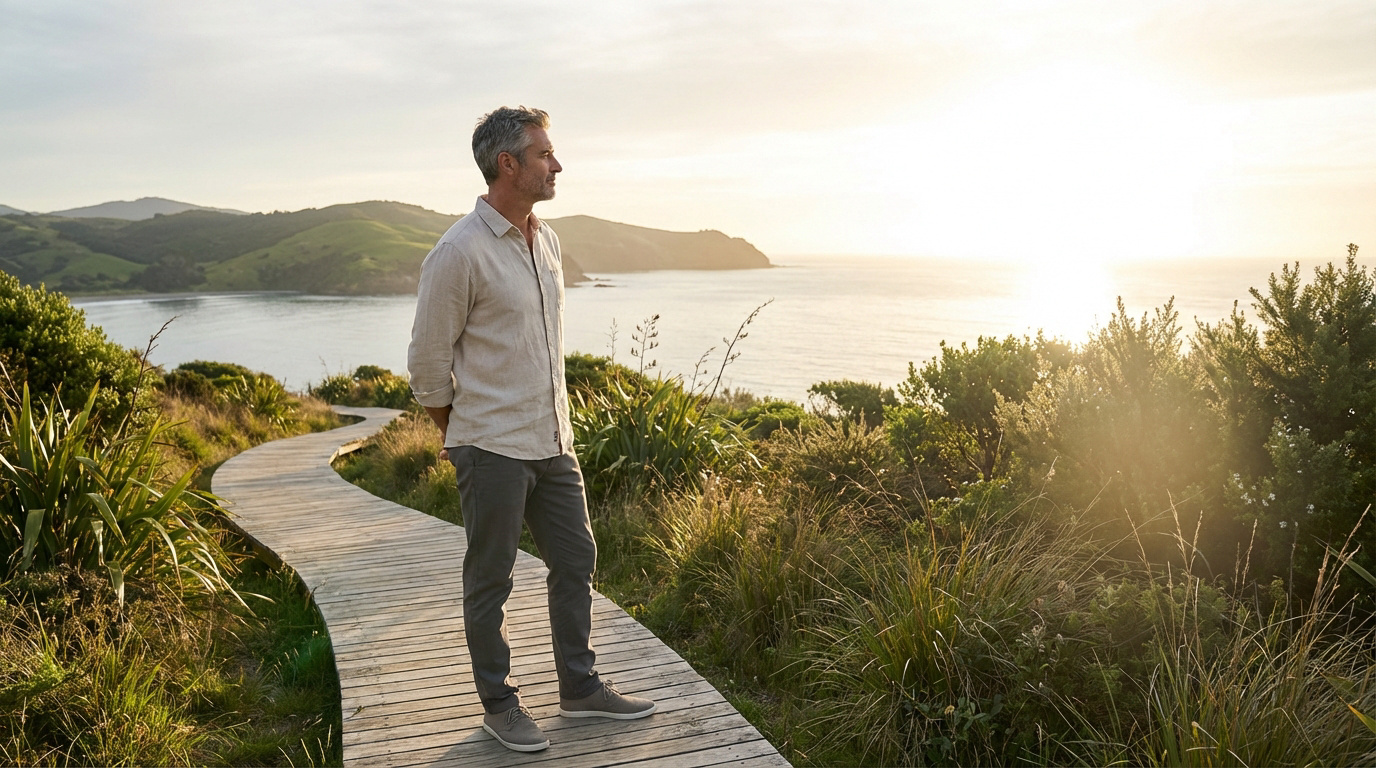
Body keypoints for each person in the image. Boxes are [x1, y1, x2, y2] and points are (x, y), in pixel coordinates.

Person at [407, 106, 656, 753]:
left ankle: (579, 689)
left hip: (555, 442)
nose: (558, 164)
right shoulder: (457, 252)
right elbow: (427, 364)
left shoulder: (545, 240)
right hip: (489, 447)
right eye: (544, 154)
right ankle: (499, 703)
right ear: (507, 164)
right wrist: (461, 432)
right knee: (491, 579)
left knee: (576, 562)